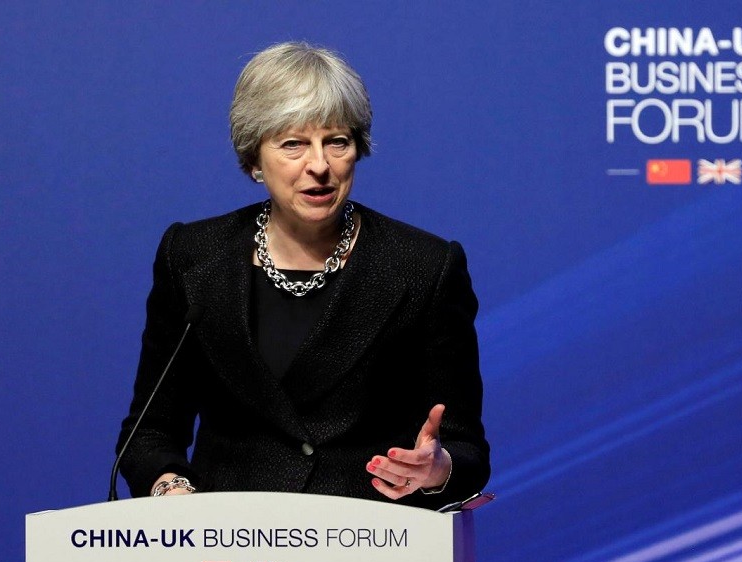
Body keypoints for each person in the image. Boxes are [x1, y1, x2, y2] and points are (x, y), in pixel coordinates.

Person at [116, 42, 490, 509]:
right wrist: (173, 491)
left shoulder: (424, 266)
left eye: (337, 141)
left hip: (369, 551)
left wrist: (438, 469)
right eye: (293, 143)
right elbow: (150, 431)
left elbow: (465, 448)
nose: (319, 166)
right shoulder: (193, 257)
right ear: (254, 159)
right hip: (227, 550)